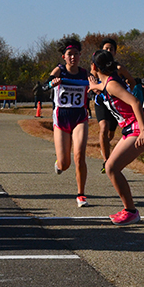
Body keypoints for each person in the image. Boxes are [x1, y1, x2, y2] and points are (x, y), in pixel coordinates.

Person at [89, 49, 144, 225]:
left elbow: (135, 102)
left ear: (94, 66)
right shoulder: (108, 83)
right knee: (111, 167)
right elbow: (103, 87)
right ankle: (129, 210)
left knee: (111, 167)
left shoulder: (111, 84)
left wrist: (142, 130)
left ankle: (131, 211)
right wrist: (94, 86)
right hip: (129, 129)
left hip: (138, 128)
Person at [47, 37, 89, 208]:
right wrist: (53, 82)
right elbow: (47, 82)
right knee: (65, 163)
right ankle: (59, 163)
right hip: (61, 117)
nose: (73, 57)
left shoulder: (85, 73)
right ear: (64, 56)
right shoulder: (59, 70)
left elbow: (96, 84)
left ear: (80, 55)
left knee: (79, 155)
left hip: (80, 117)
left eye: (76, 54)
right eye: (69, 54)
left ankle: (81, 194)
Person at [95, 37, 136, 173]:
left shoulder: (119, 68)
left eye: (111, 49)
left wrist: (126, 90)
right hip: (102, 101)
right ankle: (106, 161)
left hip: (116, 103)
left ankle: (108, 149)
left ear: (115, 53)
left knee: (111, 133)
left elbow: (131, 81)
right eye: (106, 48)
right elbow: (92, 83)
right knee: (103, 128)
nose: (108, 51)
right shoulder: (96, 67)